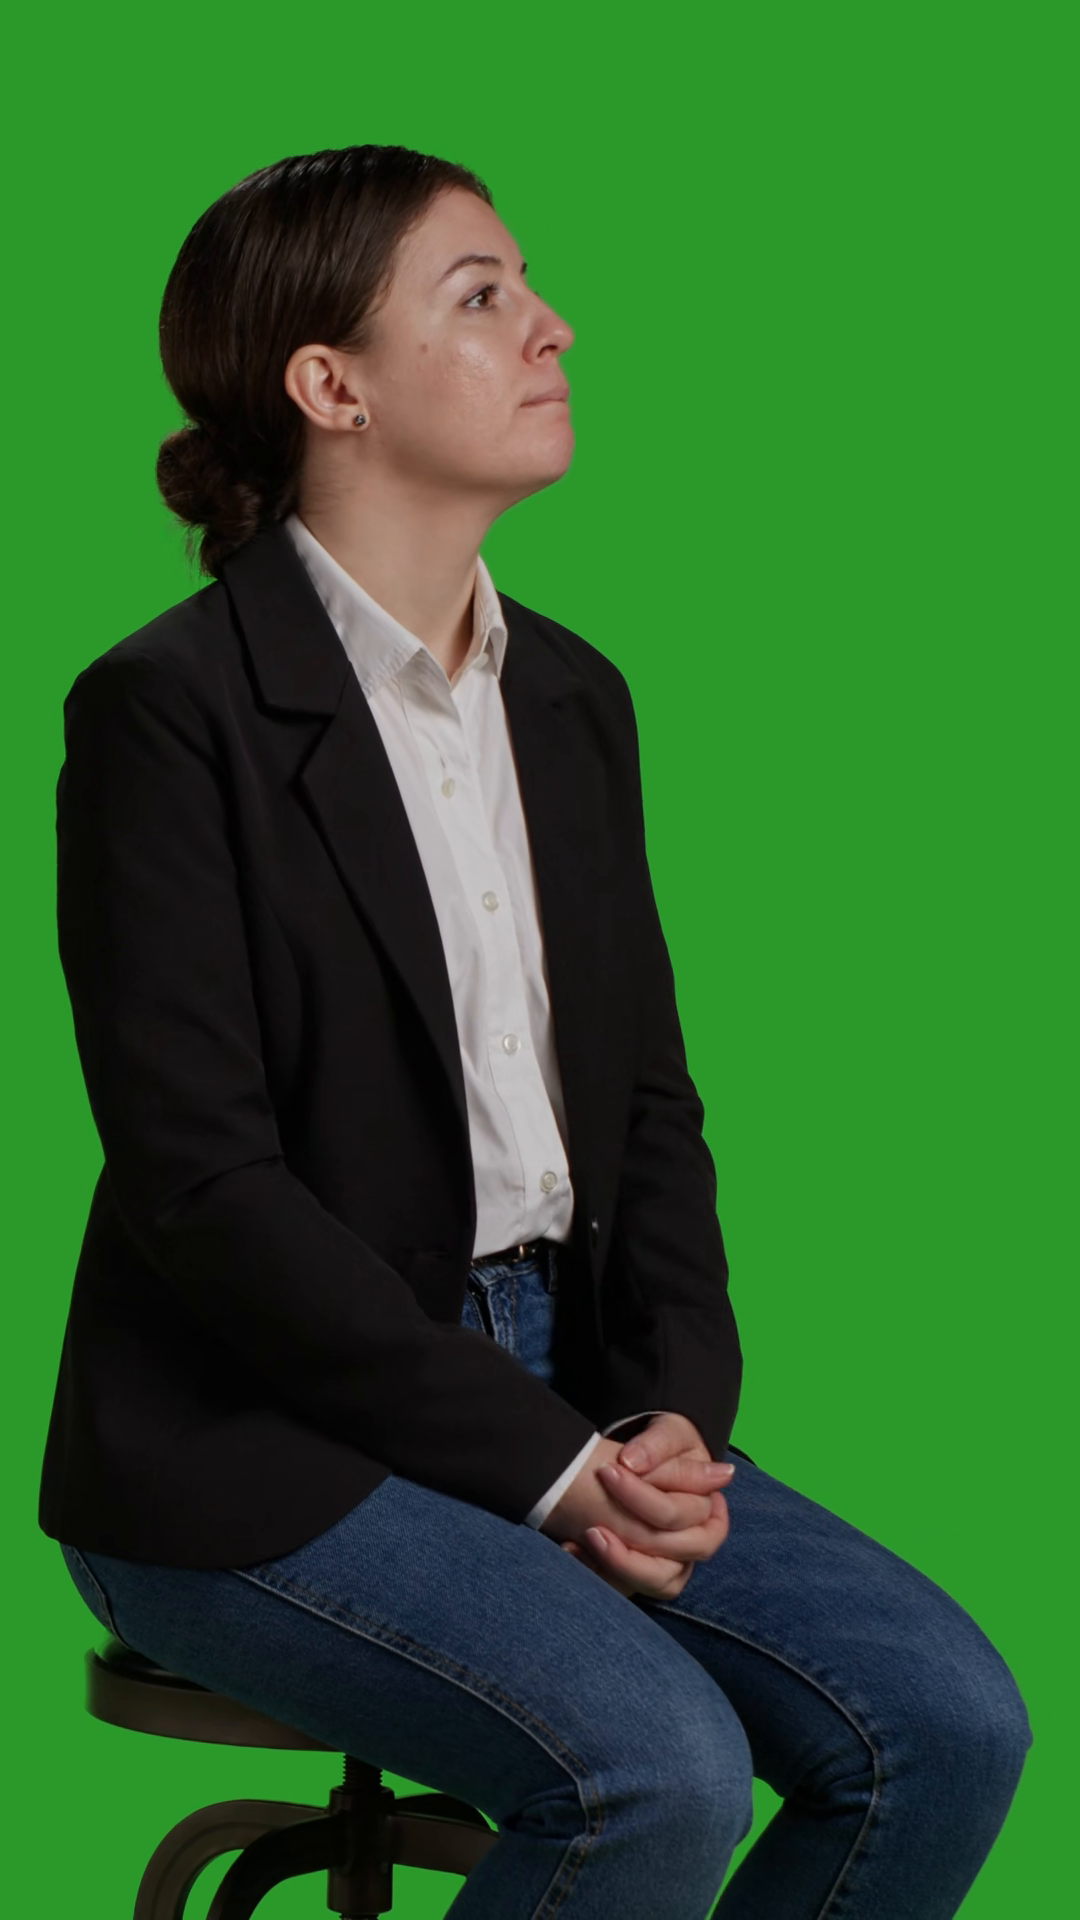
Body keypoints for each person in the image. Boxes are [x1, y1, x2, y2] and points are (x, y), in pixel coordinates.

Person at [40, 143, 1030, 1918]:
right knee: (654, 1769)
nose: (552, 325)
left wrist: (671, 1422)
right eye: (482, 295)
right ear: (330, 385)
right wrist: (553, 1471)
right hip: (248, 1447)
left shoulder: (572, 696)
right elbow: (205, 1190)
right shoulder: (165, 712)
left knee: (947, 1726)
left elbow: (649, 1111)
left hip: (571, 1384)